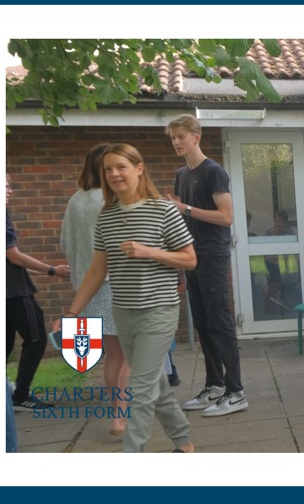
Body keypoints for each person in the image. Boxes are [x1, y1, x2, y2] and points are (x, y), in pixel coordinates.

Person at [54, 143, 196, 453]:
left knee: (140, 389)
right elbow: (96, 271)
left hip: (158, 311)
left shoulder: (163, 210)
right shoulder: (107, 217)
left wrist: (150, 252)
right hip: (123, 312)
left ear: (139, 169)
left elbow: (189, 259)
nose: (114, 174)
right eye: (108, 169)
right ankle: (183, 441)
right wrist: (72, 313)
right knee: (154, 384)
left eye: (121, 167)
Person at [164, 114, 247, 417]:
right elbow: (182, 215)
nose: (176, 142)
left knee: (220, 322)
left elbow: (226, 217)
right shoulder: (181, 174)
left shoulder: (214, 171)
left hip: (212, 255)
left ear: (196, 137)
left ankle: (236, 392)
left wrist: (185, 208)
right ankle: (214, 385)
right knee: (202, 322)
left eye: (181, 137)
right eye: (173, 138)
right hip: (192, 256)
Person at [60, 142, 131, 436]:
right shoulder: (112, 200)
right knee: (133, 353)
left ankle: (117, 414)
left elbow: (65, 243)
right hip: (116, 283)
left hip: (87, 288)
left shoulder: (76, 200)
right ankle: (122, 417)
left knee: (114, 354)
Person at [7, 175, 71, 411]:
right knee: (36, 339)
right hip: (14, 291)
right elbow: (13, 256)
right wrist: (52, 270)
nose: (9, 190)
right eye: (4, 186)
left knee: (5, 346)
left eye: (9, 185)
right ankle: (20, 396)